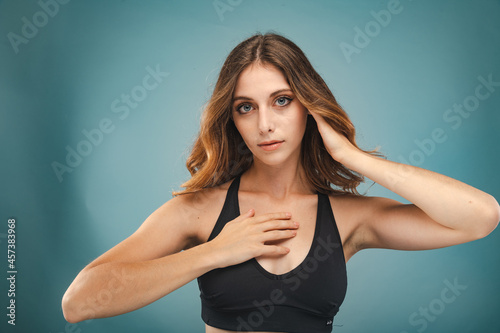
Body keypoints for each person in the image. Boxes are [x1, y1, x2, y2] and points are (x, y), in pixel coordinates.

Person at [61, 33, 500, 332]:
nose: (265, 124)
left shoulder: (349, 217)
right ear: (231, 119)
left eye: (282, 101)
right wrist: (215, 252)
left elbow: (480, 218)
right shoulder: (199, 210)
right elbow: (79, 302)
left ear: (308, 107)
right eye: (245, 108)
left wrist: (352, 156)